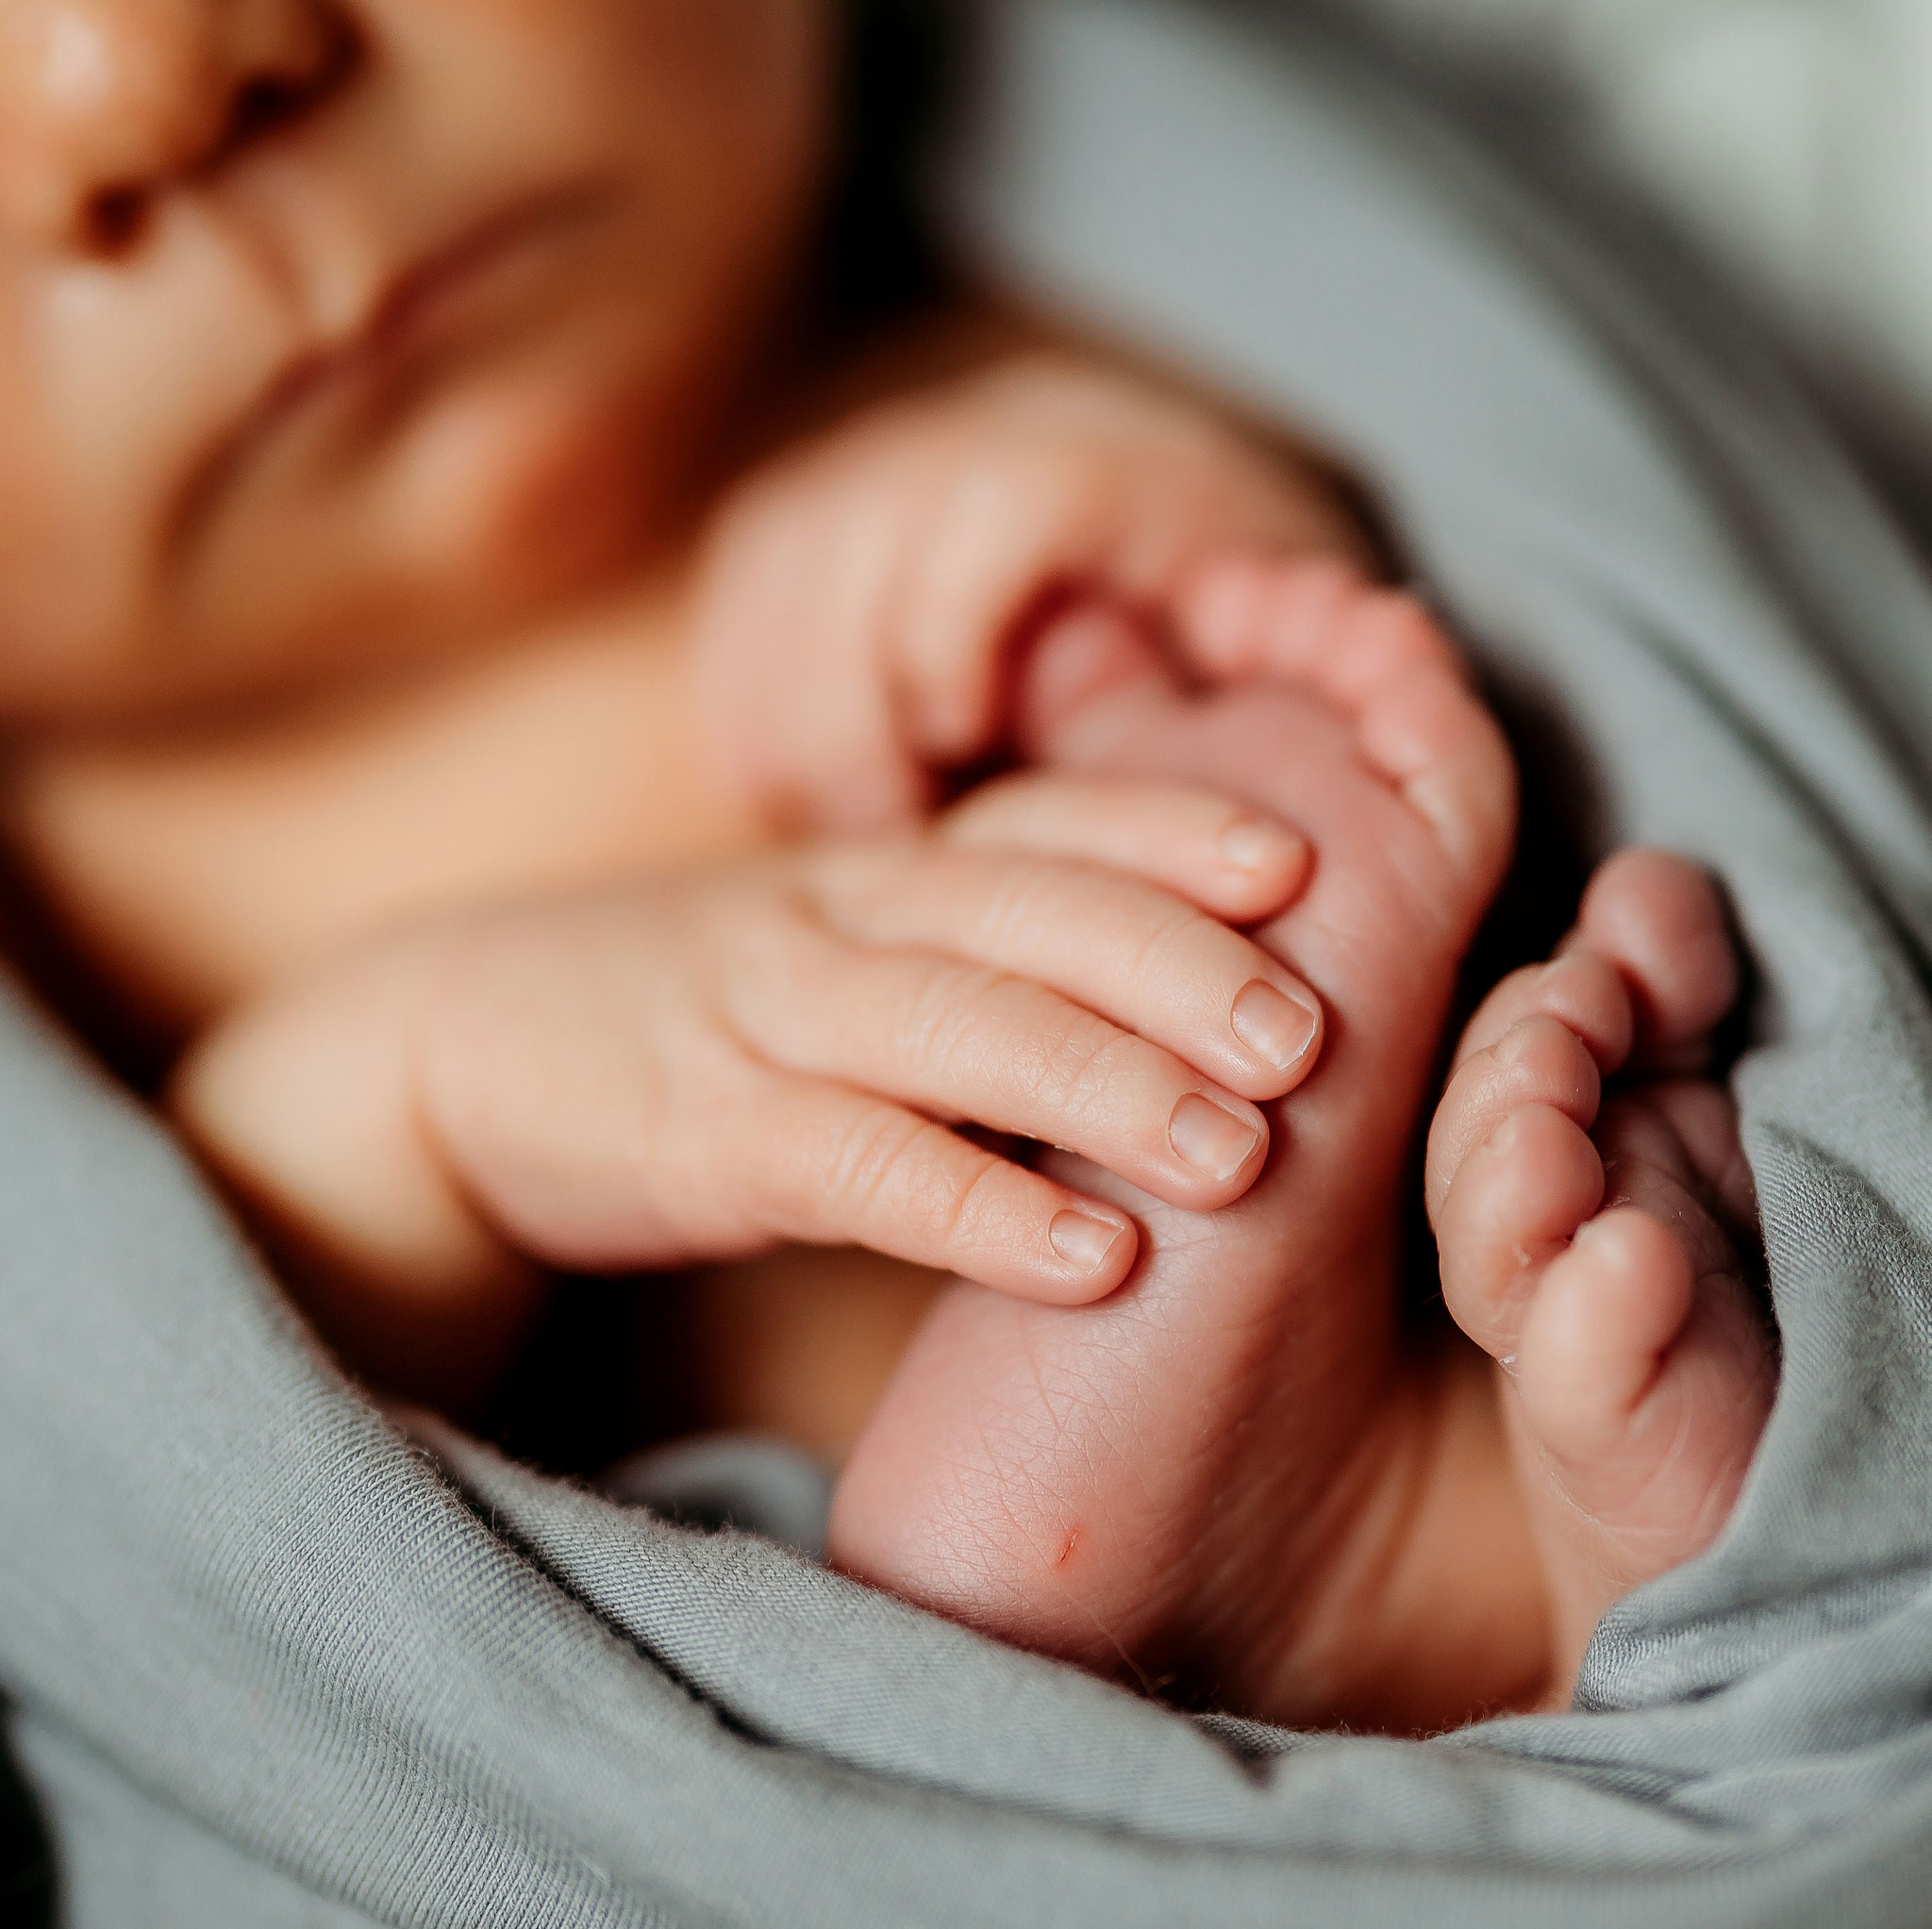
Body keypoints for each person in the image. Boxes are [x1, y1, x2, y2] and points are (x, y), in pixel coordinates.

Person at [0, 0, 1775, 1731]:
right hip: (702, 1712)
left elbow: (1422, 471)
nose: (150, 71)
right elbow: (130, 1496)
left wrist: (1192, 551)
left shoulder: (991, 301)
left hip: (1363, 1318)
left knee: (1413, 1014)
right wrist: (400, 1108)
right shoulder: (77, 902)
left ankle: (1464, 1563)